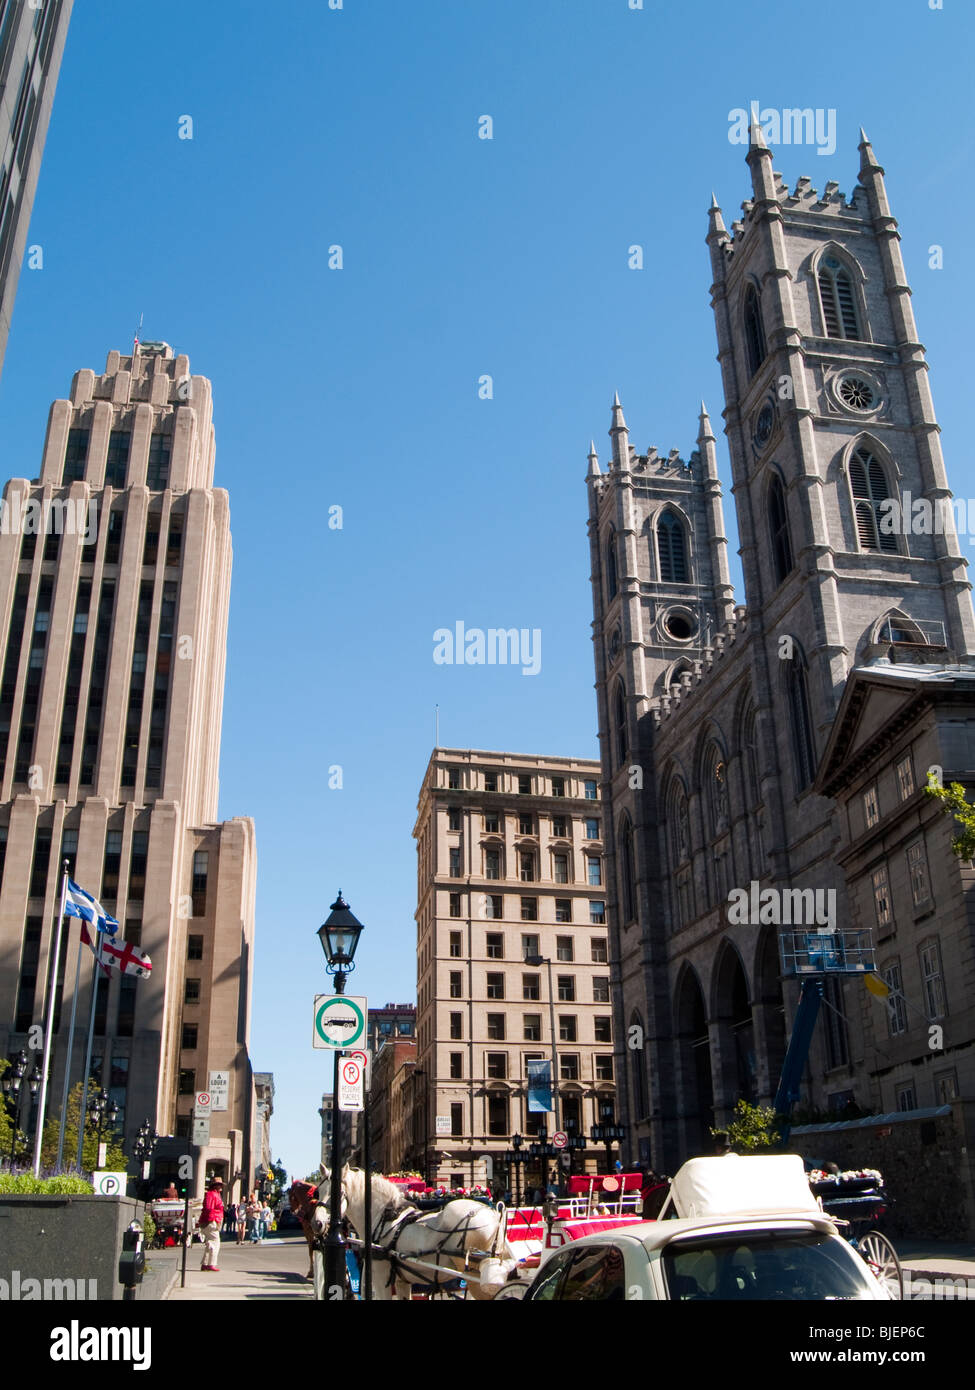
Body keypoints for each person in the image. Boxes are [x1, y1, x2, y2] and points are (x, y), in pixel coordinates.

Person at [198, 1176, 224, 1272]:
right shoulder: (212, 1194)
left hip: (211, 1220)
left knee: (210, 1242)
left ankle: (205, 1263)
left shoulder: (215, 1194)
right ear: (215, 1186)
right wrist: (213, 1220)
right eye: (219, 1185)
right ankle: (211, 1263)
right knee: (215, 1241)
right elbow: (209, 1208)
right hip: (211, 1220)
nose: (221, 1187)